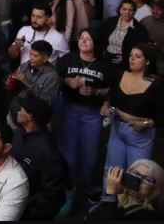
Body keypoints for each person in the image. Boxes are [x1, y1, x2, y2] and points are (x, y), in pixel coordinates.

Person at [57, 27, 113, 212]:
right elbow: (54, 77)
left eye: (88, 38)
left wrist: (96, 92)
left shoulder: (104, 65)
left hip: (92, 114)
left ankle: (90, 191)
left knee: (91, 155)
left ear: (95, 43)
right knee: (68, 153)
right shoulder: (68, 59)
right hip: (69, 110)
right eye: (81, 38)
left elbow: (112, 90)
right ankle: (68, 191)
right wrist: (67, 81)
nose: (83, 41)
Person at [102, 45, 164, 178]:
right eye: (131, 56)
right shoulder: (120, 74)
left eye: (137, 57)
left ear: (147, 61)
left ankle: (131, 193)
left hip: (140, 134)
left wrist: (147, 123)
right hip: (117, 127)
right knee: (111, 171)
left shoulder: (157, 83)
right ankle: (108, 193)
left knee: (136, 176)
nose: (132, 59)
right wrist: (106, 104)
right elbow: (111, 93)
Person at [12, 94, 69, 220]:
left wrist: (29, 212)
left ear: (30, 117)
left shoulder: (48, 153)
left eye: (22, 110)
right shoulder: (16, 135)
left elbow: (51, 196)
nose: (18, 112)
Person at [87, 159, 164, 221]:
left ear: (156, 189)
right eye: (135, 173)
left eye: (147, 179)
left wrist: (110, 193)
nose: (139, 179)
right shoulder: (119, 195)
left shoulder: (148, 215)